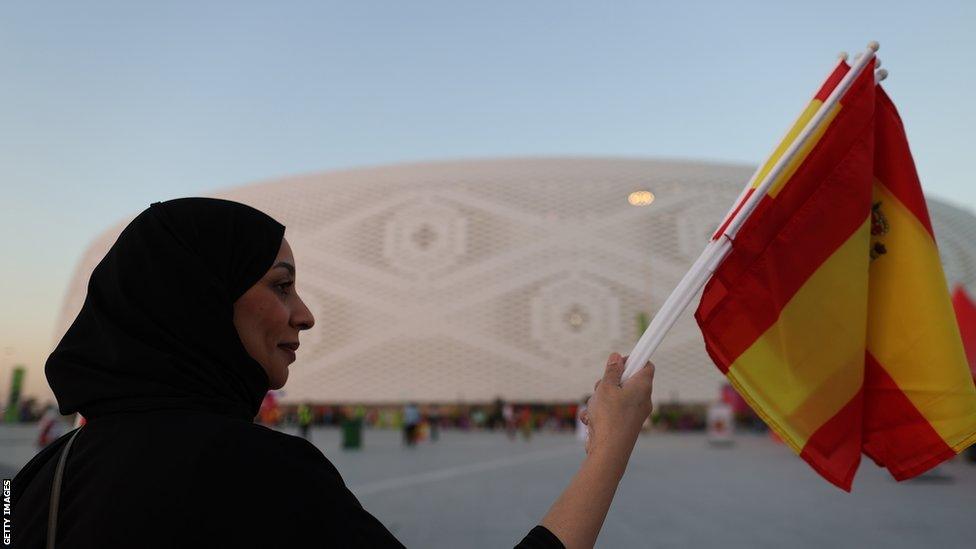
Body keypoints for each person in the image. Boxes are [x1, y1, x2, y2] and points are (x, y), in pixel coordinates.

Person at [11, 197, 654, 549]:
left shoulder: (37, 477)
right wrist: (608, 454)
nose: (305, 315)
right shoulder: (257, 473)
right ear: (202, 300)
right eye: (281, 286)